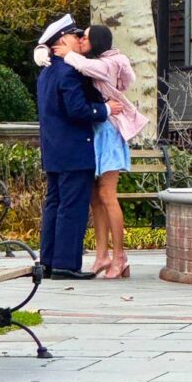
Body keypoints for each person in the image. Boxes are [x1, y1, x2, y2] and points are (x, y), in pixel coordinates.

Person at [54, 25, 148, 279]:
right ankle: (102, 255)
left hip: (109, 133)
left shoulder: (110, 62)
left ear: (96, 40)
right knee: (95, 196)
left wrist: (67, 53)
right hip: (95, 130)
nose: (81, 39)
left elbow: (88, 67)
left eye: (85, 36)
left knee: (107, 194)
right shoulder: (100, 62)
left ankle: (120, 256)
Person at [36, 14, 123, 280]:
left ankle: (48, 261)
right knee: (71, 208)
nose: (79, 40)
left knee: (54, 205)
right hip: (74, 148)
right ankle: (66, 265)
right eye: (75, 36)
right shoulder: (69, 71)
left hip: (53, 149)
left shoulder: (46, 71)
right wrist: (105, 109)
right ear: (62, 40)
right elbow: (77, 109)